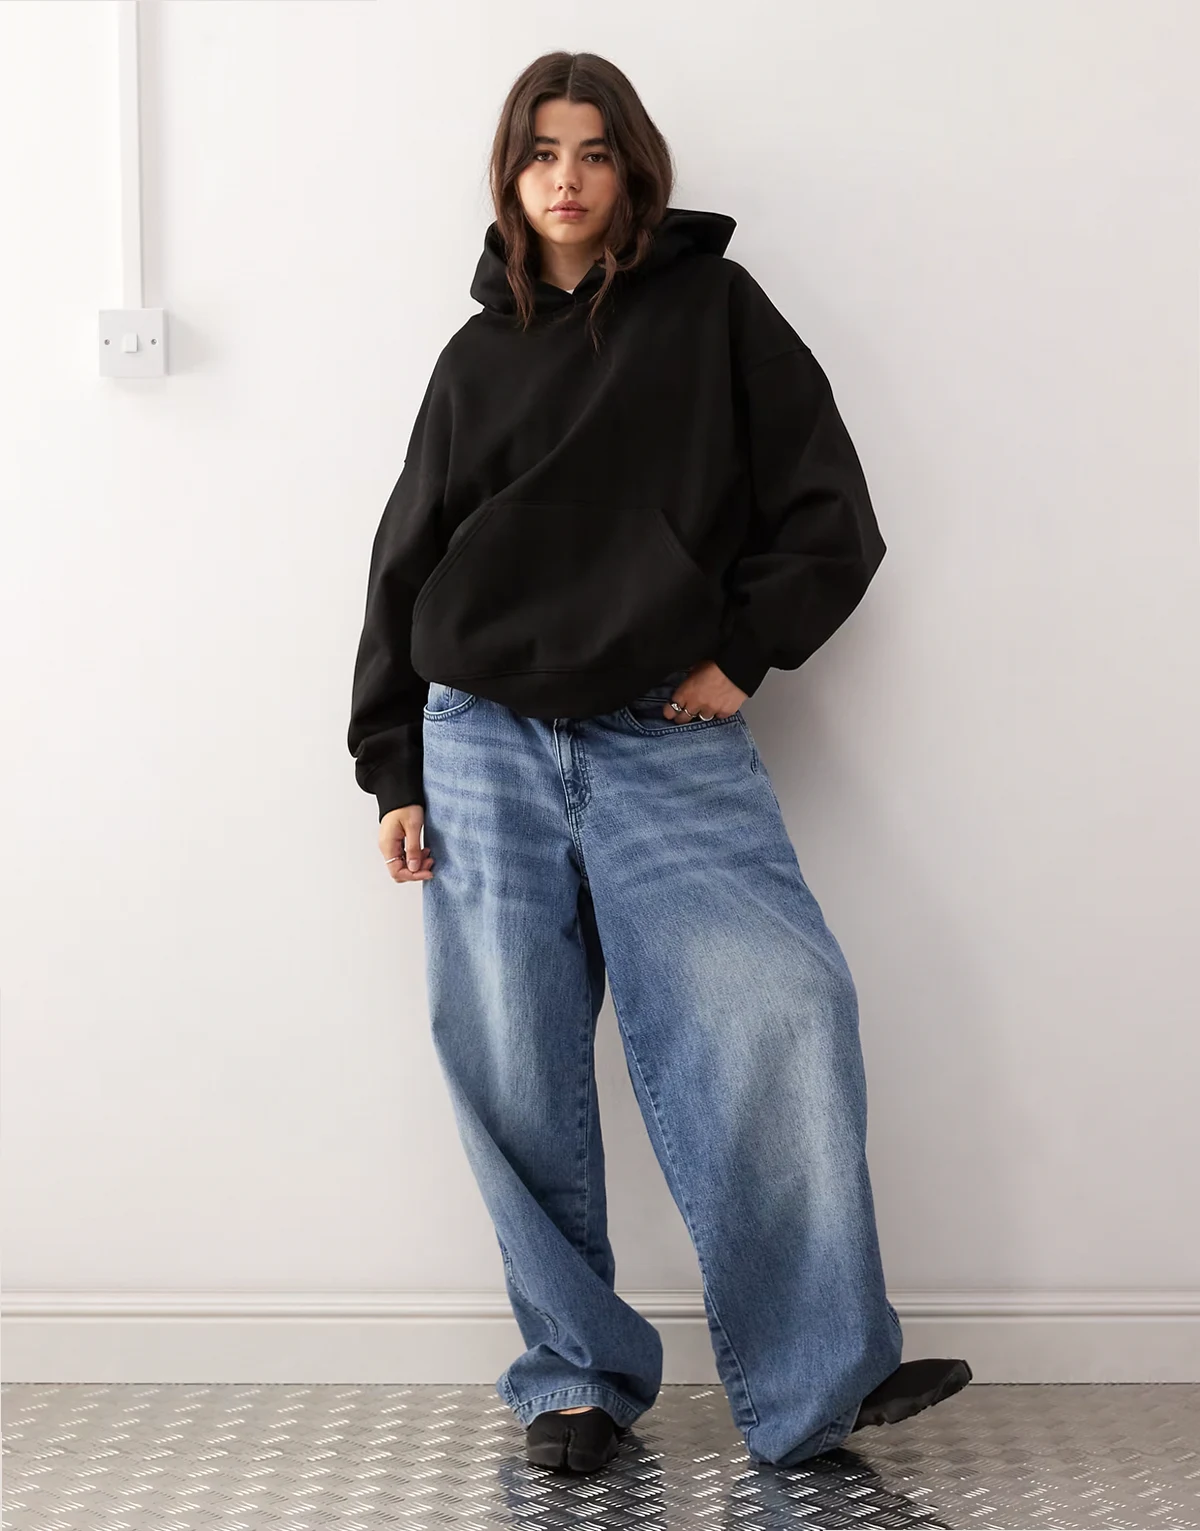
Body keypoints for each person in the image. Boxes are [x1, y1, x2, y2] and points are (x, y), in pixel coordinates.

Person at [348, 51, 971, 1477]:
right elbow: (401, 567)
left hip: (663, 735)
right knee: (511, 1061)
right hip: (480, 742)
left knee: (782, 1007)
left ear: (634, 169)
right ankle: (574, 1379)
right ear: (508, 177)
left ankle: (816, 1380)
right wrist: (393, 762)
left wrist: (744, 652)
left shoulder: (715, 311)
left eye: (594, 151)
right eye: (540, 152)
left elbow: (830, 507)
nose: (566, 177)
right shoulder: (474, 360)